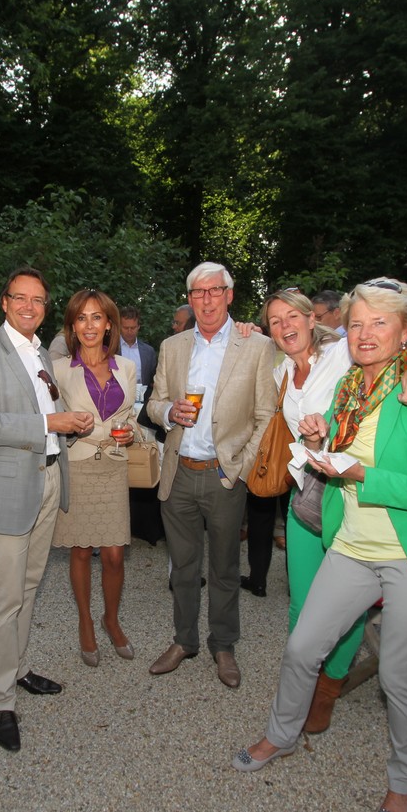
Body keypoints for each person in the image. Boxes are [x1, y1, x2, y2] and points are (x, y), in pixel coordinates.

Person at [232, 279, 407, 812]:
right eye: (357, 323)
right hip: (351, 546)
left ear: (406, 331)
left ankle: (406, 780)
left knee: (399, 675)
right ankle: (282, 735)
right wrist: (321, 441)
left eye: (379, 323)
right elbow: (339, 455)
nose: (364, 334)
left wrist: (364, 474)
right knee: (301, 648)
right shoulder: (346, 387)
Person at [249, 287, 407, 730]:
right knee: (302, 601)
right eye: (274, 321)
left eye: (292, 316)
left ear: (311, 319)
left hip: (347, 493)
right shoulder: (279, 372)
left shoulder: (341, 355)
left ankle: (329, 688)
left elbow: (393, 337)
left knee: (349, 604)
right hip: (304, 493)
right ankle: (302, 683)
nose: (285, 326)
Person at [0, 267, 93, 751]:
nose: (29, 307)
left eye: (38, 300)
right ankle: (0, 701)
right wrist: (51, 423)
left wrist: (67, 425)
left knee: (30, 586)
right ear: (4, 302)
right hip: (9, 490)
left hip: (49, 478)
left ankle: (16, 669)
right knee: (3, 598)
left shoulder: (40, 352)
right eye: (20, 298)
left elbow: (45, 414)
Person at [145, 262, 275, 688]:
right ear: (190, 298)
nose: (206, 300)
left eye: (214, 291)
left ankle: (223, 645)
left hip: (224, 476)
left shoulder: (256, 346)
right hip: (179, 472)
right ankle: (184, 640)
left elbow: (266, 414)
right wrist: (169, 411)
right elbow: (154, 403)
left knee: (224, 567)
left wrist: (240, 466)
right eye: (198, 293)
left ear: (229, 295)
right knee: (182, 568)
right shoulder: (173, 346)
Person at [51, 289, 137, 667]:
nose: (89, 325)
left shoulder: (127, 367)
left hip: (113, 465)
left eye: (96, 317)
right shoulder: (58, 370)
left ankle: (111, 619)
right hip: (79, 464)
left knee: (115, 555)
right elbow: (50, 421)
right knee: (82, 550)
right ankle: (85, 621)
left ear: (108, 325)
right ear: (72, 326)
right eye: (81, 318)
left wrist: (131, 432)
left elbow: (130, 415)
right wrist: (68, 426)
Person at [118, 305, 157, 390]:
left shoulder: (149, 351)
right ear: (119, 326)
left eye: (133, 328)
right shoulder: (110, 349)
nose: (129, 331)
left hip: (143, 396)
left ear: (138, 326)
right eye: (125, 328)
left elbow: (154, 379)